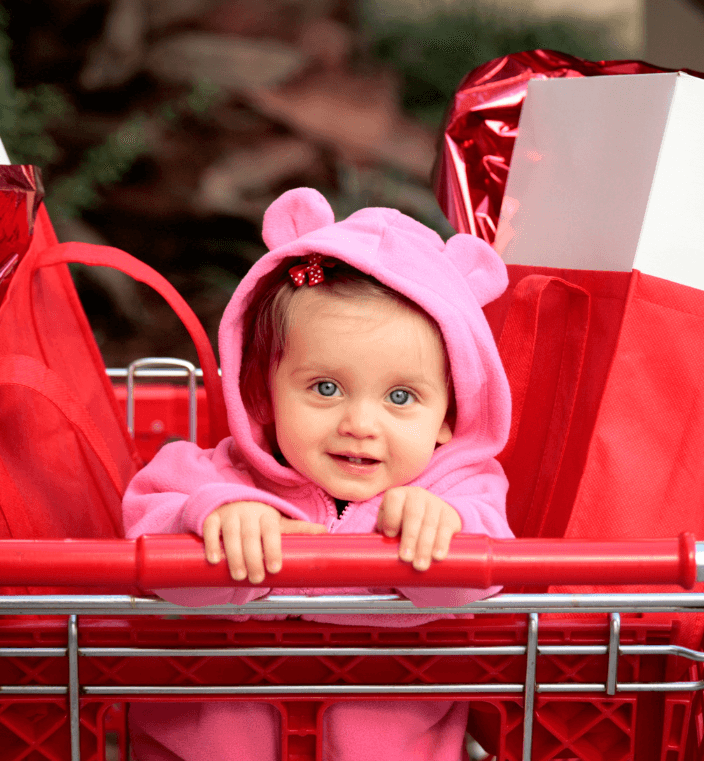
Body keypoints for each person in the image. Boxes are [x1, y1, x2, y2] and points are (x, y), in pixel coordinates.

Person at [122, 187, 513, 761]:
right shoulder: (209, 473)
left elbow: (481, 579)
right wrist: (210, 517)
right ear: (263, 391)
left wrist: (443, 528)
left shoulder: (461, 490)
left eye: (401, 396)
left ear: (450, 416)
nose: (359, 423)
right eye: (325, 388)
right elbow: (142, 539)